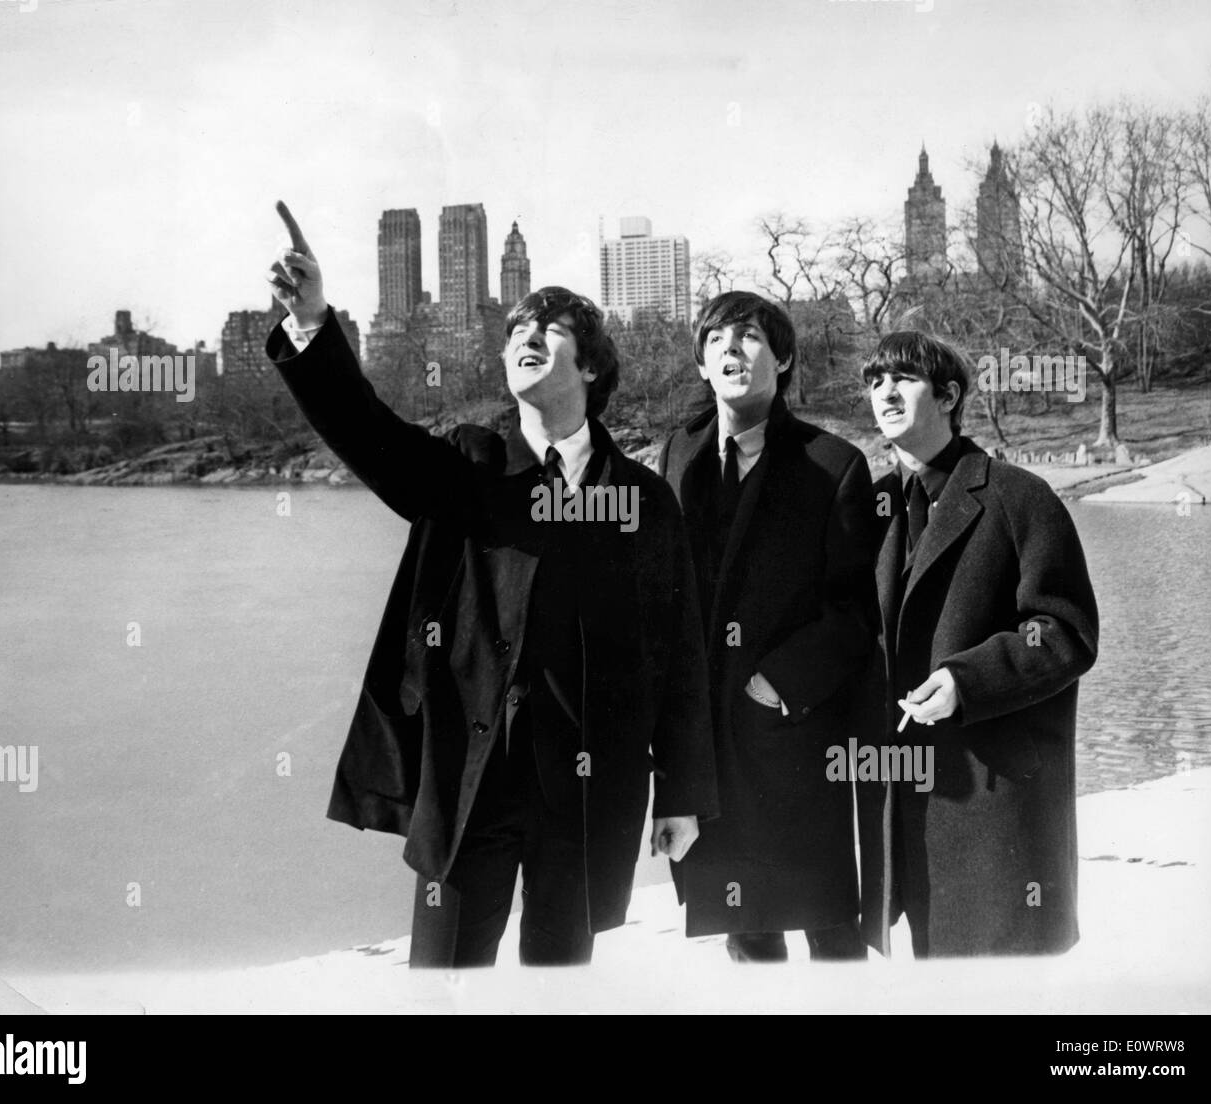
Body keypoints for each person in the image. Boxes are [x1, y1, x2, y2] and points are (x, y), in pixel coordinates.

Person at [264, 201, 717, 967]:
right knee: (444, 984)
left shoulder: (643, 501)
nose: (526, 340)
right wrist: (312, 322)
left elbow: (678, 654)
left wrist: (681, 790)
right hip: (471, 777)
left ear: (594, 367)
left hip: (582, 788)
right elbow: (369, 433)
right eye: (515, 332)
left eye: (550, 331)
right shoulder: (469, 466)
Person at [856, 330, 1099, 957]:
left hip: (998, 811)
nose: (885, 391)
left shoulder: (1020, 497)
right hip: (905, 811)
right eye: (874, 380)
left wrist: (968, 680)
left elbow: (1064, 631)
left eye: (903, 378)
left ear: (949, 395)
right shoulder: (870, 505)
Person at [659, 291, 876, 963]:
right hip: (708, 752)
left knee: (829, 929)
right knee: (747, 935)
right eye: (717, 339)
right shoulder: (678, 453)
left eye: (750, 337)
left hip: (795, 739)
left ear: (782, 360)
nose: (732, 348)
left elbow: (854, 613)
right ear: (700, 363)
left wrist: (773, 686)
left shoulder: (834, 465)